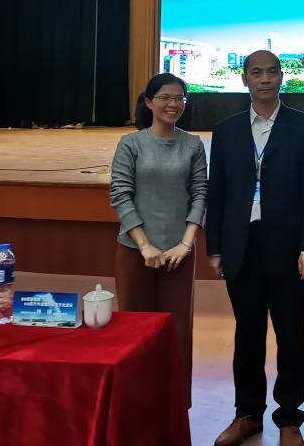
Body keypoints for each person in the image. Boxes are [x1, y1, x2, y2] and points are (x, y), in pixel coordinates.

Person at [205, 50, 304, 446]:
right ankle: (248, 413)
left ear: (281, 77)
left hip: (288, 247)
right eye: (256, 72)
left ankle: (289, 417)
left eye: (272, 72)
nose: (265, 79)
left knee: (290, 334)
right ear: (244, 79)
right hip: (242, 246)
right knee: (248, 335)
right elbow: (218, 192)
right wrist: (215, 247)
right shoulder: (227, 130)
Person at [110, 72, 207, 411]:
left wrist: (186, 243)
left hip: (179, 252)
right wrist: (144, 244)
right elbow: (121, 195)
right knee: (133, 327)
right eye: (165, 97)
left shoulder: (193, 144)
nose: (173, 104)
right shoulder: (131, 144)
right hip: (135, 250)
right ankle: (135, 404)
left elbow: (200, 194)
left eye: (179, 98)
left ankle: (172, 405)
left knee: (177, 331)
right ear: (149, 102)